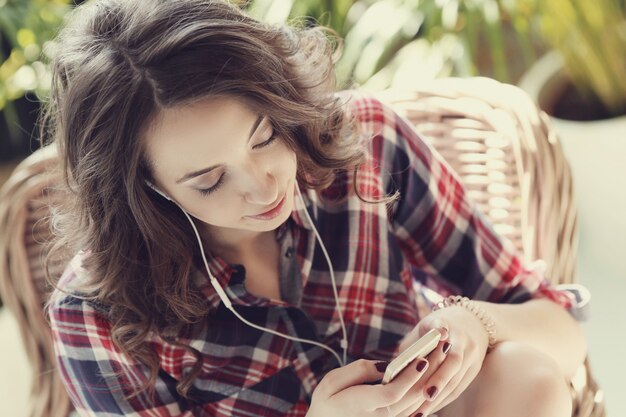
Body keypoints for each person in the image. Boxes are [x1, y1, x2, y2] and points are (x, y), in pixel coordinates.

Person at [43, 0, 588, 416]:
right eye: (209, 181)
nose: (263, 188)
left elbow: (564, 336)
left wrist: (478, 323)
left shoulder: (366, 144)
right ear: (145, 187)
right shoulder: (94, 313)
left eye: (264, 136)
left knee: (527, 372)